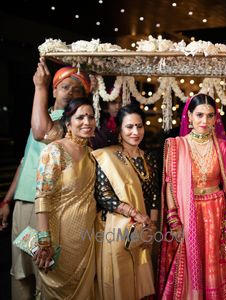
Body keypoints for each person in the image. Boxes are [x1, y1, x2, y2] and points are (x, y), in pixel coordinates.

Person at [0, 58, 90, 300]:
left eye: (77, 88)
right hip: (23, 204)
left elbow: (42, 132)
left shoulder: (70, 123)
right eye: (65, 86)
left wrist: (39, 88)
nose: (70, 92)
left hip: (43, 208)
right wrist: (7, 201)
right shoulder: (43, 114)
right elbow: (24, 162)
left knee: (43, 267)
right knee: (19, 271)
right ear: (55, 89)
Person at [158, 93, 226, 299]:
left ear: (216, 118)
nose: (204, 121)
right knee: (190, 263)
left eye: (209, 116)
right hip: (189, 214)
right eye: (199, 115)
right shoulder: (176, 145)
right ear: (189, 116)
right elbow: (170, 186)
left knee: (216, 264)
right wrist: (173, 220)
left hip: (216, 212)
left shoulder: (221, 145)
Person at [92, 104, 159, 299]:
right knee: (120, 282)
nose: (135, 132)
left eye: (139, 126)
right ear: (120, 130)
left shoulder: (149, 159)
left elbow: (154, 196)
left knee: (142, 281)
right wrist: (134, 214)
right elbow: (103, 195)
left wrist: (151, 228)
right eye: (129, 127)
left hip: (143, 230)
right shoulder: (107, 156)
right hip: (116, 229)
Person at [33, 98, 97, 299]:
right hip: (59, 236)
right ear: (68, 123)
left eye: (91, 117)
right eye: (80, 117)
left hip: (86, 238)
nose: (87, 122)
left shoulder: (92, 154)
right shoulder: (54, 150)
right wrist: (44, 241)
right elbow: (42, 197)